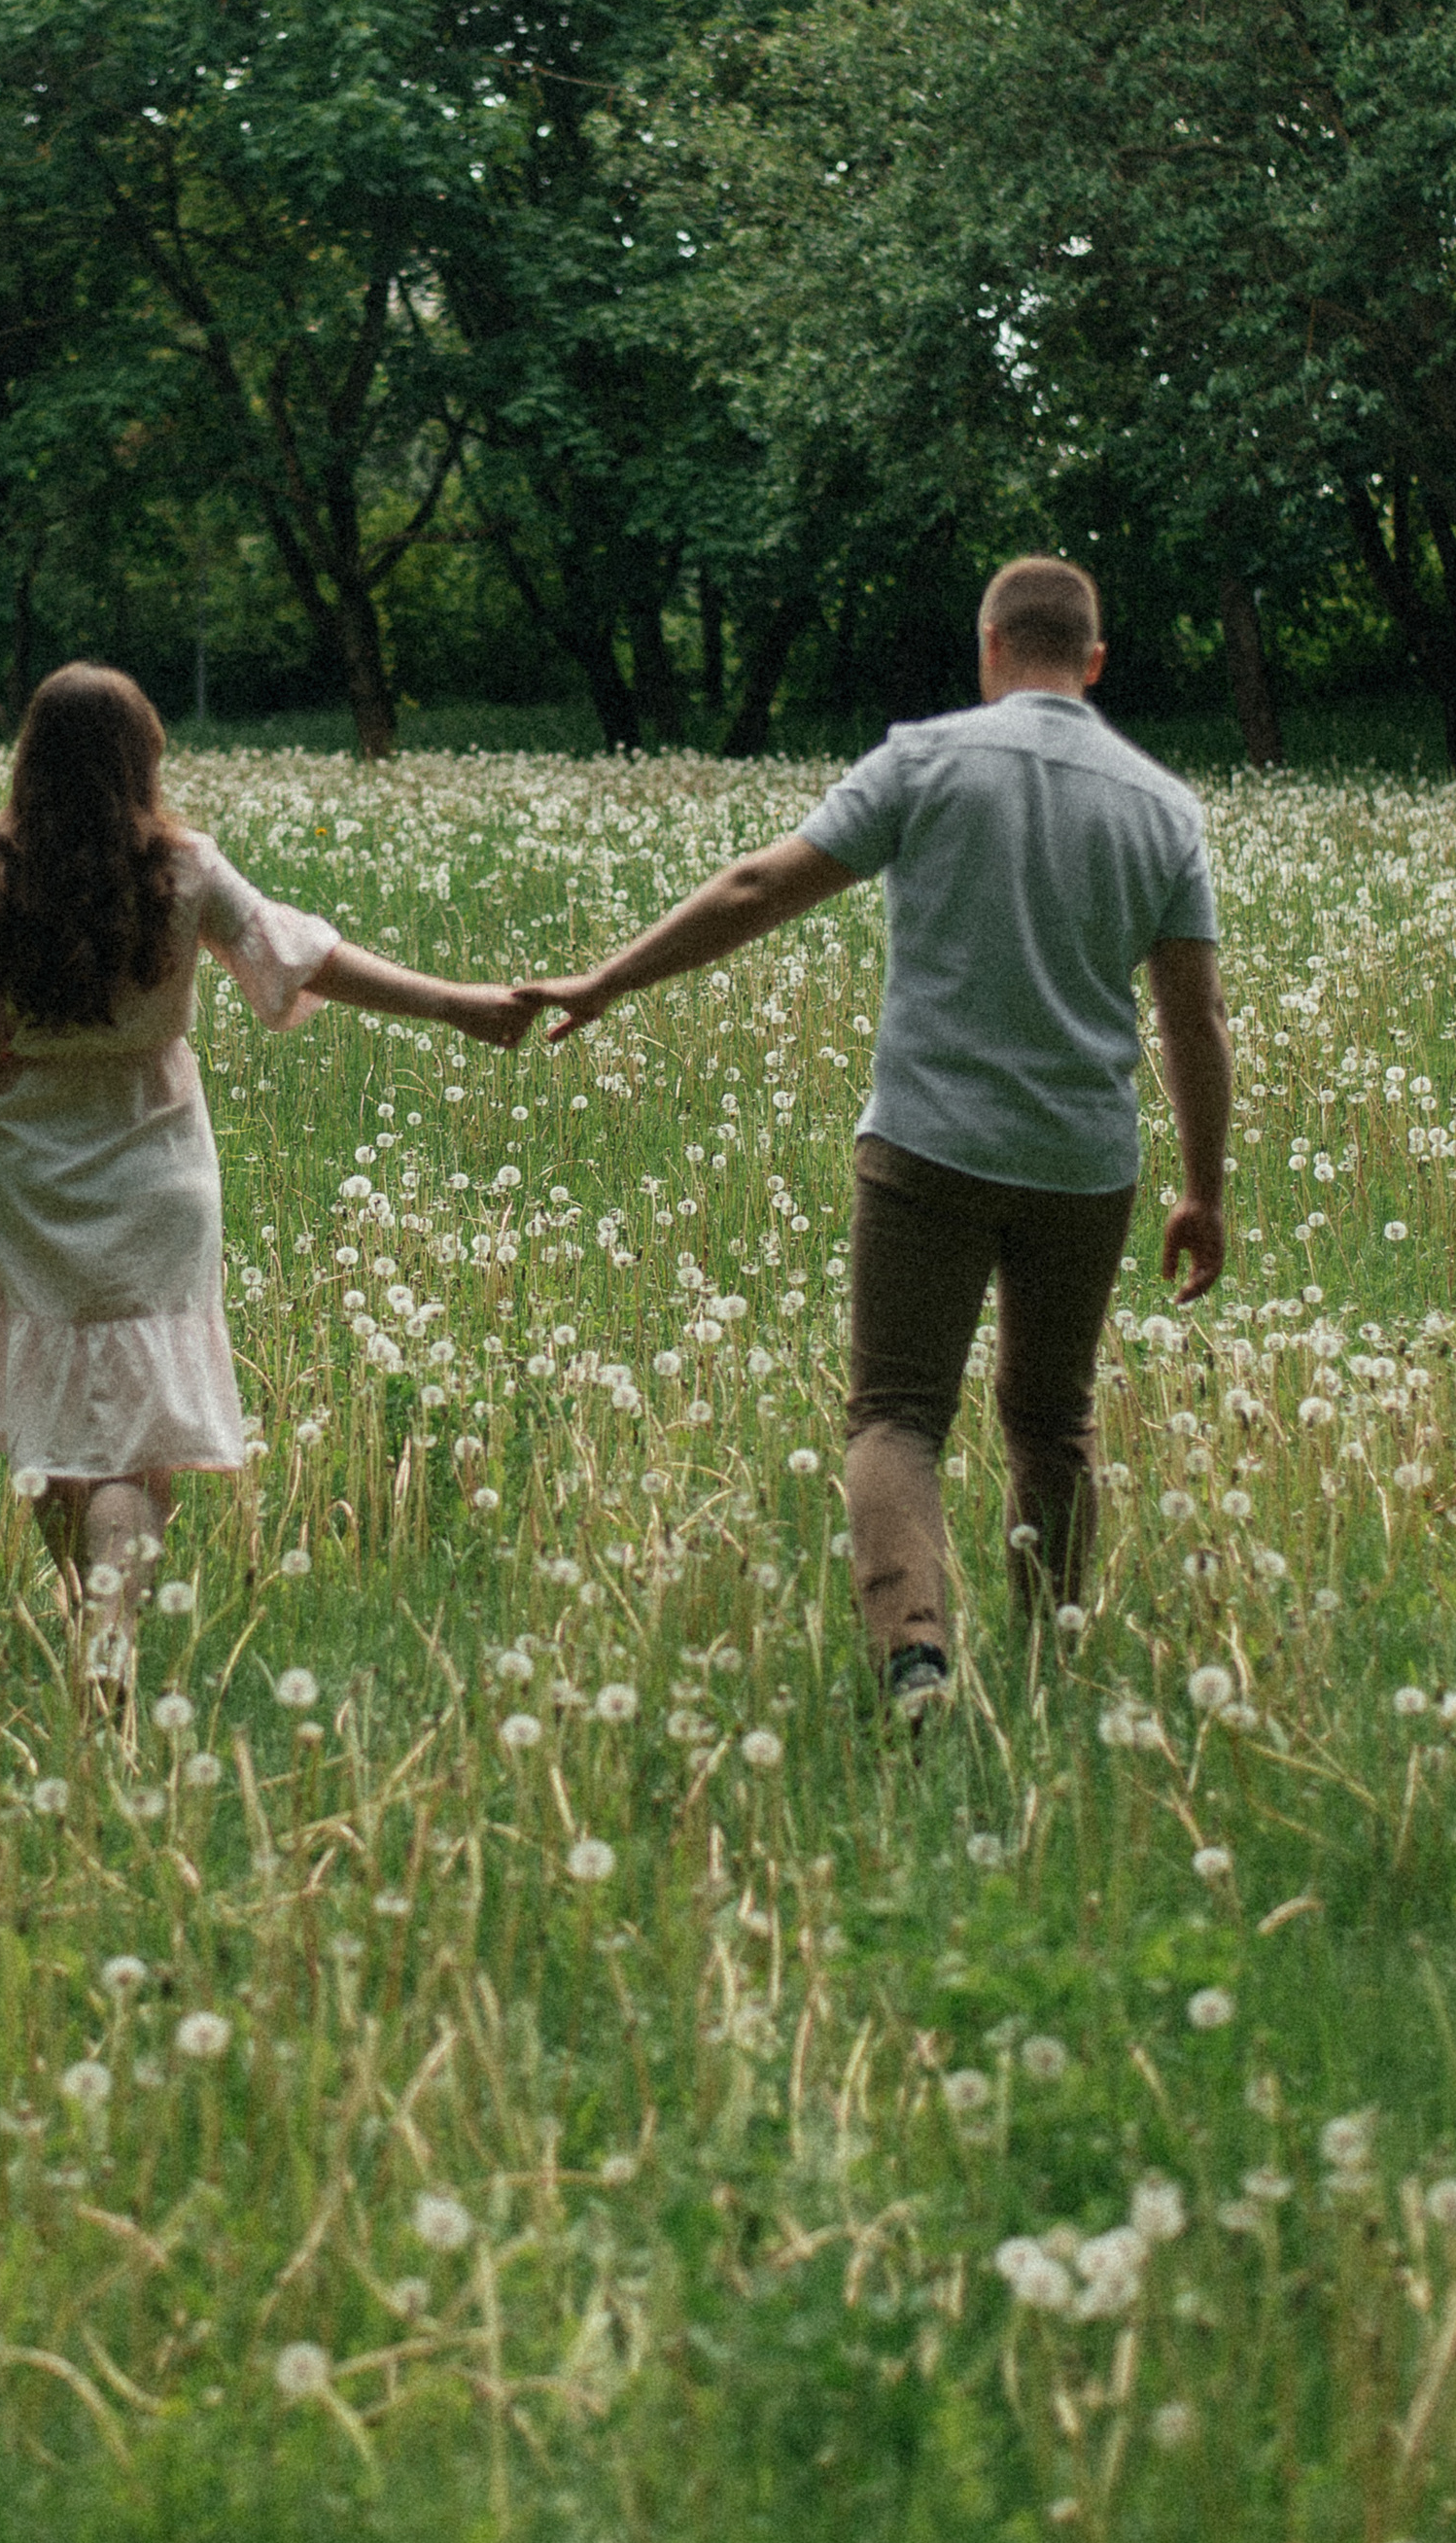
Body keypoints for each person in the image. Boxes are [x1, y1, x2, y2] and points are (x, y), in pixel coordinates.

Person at [513, 558, 1231, 1721]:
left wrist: (607, 980)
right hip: (1082, 1161)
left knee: (896, 1411)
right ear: (1093, 664)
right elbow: (1192, 1015)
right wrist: (1202, 1187)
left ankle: (914, 1657)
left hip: (925, 1148)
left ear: (987, 645)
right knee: (1051, 1416)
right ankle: (1050, 1656)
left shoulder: (925, 761)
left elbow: (758, 887)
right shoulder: (1161, 806)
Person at [0, 662, 531, 1691]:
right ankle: (110, 1625)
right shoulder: (181, 872)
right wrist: (456, 1001)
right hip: (161, 1185)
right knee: (134, 1453)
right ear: (139, 762)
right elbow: (305, 958)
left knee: (54, 1423)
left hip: (33, 1189)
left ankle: (91, 1613)